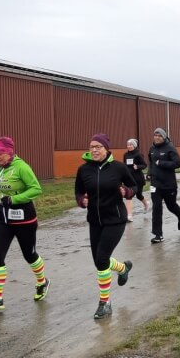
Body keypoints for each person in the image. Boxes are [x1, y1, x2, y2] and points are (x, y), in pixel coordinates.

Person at [0, 136, 49, 311]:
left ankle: (42, 282)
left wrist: (15, 199)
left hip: (24, 218)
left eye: (0, 154)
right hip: (3, 218)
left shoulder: (22, 167)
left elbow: (36, 189)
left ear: (9, 153)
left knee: (30, 255)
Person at [75, 133, 137, 319]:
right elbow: (78, 190)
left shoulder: (118, 168)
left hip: (115, 219)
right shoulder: (83, 170)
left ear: (106, 149)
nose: (94, 150)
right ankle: (122, 268)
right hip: (95, 220)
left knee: (102, 259)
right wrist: (81, 200)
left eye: (98, 147)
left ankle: (105, 303)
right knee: (99, 261)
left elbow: (135, 186)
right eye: (91, 146)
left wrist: (126, 191)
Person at [147, 128, 180, 243]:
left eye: (159, 135)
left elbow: (177, 163)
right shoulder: (152, 148)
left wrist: (162, 163)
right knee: (156, 208)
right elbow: (151, 163)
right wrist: (149, 174)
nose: (157, 137)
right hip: (155, 184)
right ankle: (158, 234)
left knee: (171, 206)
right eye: (155, 135)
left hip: (168, 184)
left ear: (164, 137)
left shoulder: (170, 148)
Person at [123, 138, 149, 221]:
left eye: (130, 145)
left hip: (138, 179)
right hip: (129, 179)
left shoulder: (138, 155)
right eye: (128, 145)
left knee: (139, 195)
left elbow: (144, 165)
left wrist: (137, 166)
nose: (129, 146)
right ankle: (129, 215)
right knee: (129, 195)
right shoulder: (125, 155)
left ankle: (146, 203)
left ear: (134, 146)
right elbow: (124, 165)